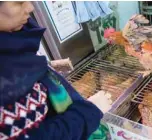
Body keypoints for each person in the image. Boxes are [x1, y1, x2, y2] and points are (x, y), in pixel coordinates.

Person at [0, 2, 110, 140]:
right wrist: (90, 111)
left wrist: (46, 68)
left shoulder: (14, 41)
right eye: (19, 2)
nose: (30, 8)